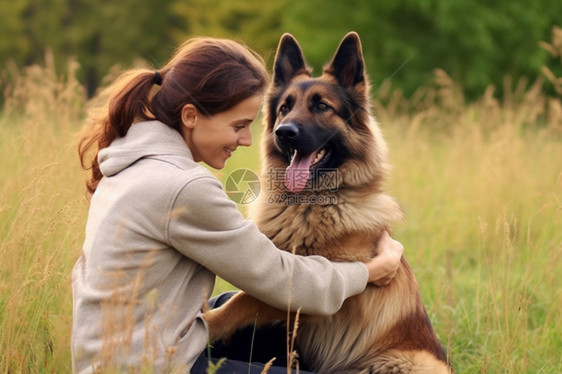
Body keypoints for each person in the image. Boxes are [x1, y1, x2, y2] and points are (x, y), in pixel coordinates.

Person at [72, 36, 404, 374]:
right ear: (190, 116)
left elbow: (264, 285)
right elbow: (279, 278)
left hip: (116, 353)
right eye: (238, 126)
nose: (247, 140)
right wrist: (369, 272)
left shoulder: (132, 162)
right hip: (153, 364)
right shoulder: (182, 186)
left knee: (270, 328)